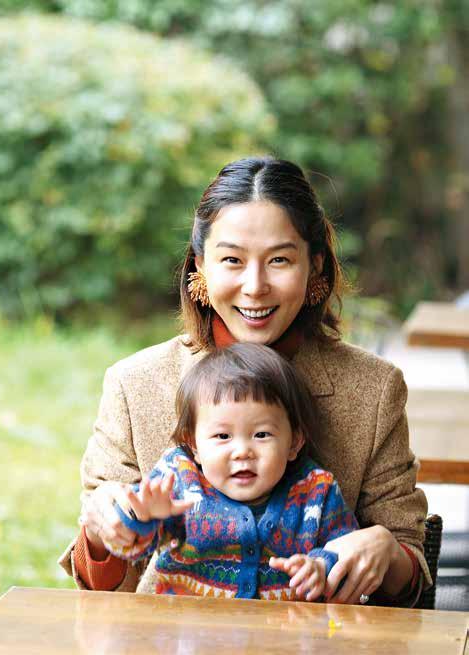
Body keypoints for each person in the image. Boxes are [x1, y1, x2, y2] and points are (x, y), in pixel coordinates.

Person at [58, 156, 428, 606]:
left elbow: (412, 575)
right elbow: (100, 590)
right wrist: (101, 531)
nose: (255, 286)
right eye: (232, 259)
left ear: (313, 267)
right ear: (200, 267)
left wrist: (386, 549)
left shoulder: (374, 389)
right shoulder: (134, 386)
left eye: (279, 260)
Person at [95, 343, 360, 601]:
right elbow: (131, 548)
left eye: (261, 434)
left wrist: (321, 566)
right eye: (223, 436)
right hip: (185, 636)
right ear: (194, 445)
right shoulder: (179, 480)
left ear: (294, 442)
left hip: (282, 638)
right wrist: (142, 518)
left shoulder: (316, 491)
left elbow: (347, 548)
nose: (242, 451)